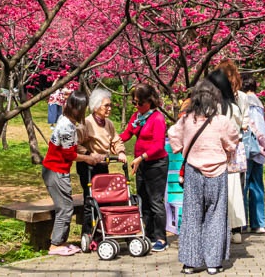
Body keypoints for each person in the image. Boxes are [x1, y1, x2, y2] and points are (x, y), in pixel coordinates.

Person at [168, 80, 240, 275]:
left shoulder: (186, 120)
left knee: (192, 216)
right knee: (216, 216)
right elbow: (233, 140)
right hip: (217, 172)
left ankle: (190, 263)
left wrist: (182, 148)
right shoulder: (222, 121)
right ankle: (213, 263)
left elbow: (172, 135)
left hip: (193, 171)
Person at [41, 91, 104, 256]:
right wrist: (89, 159)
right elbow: (69, 154)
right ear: (78, 108)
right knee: (65, 208)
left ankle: (61, 241)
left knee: (65, 206)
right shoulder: (67, 127)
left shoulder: (65, 119)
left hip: (55, 169)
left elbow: (68, 149)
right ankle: (55, 245)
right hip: (56, 171)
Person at [119, 83, 169, 251]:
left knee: (155, 201)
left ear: (150, 101)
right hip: (140, 163)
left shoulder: (157, 118)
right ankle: (148, 234)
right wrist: (113, 141)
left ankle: (161, 237)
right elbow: (127, 134)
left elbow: (158, 146)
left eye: (140, 103)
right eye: (135, 103)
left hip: (156, 164)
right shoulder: (137, 117)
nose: (137, 106)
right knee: (143, 200)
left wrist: (141, 158)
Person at [77, 88, 126, 240]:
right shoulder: (86, 123)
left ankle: (103, 230)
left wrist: (120, 151)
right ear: (96, 106)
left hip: (103, 164)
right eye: (106, 105)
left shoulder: (109, 124)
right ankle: (87, 233)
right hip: (88, 165)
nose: (109, 108)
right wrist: (89, 154)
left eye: (110, 105)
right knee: (90, 198)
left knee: (105, 198)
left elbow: (115, 140)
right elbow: (76, 144)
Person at [208, 63, 249, 244]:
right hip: (234, 146)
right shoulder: (238, 100)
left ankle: (229, 227)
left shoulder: (219, 101)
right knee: (235, 188)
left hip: (221, 149)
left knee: (226, 187)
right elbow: (244, 123)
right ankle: (234, 228)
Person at [241, 77, 265, 234]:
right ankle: (258, 222)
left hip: (247, 148)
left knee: (243, 185)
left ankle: (243, 222)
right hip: (259, 149)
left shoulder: (245, 101)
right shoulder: (259, 103)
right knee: (257, 185)